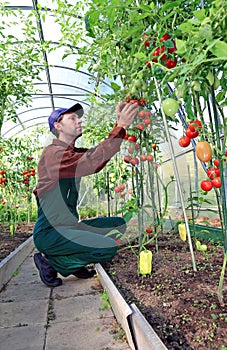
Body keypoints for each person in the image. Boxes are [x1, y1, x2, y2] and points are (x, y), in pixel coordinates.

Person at [33, 101, 139, 287]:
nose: (79, 121)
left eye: (78, 118)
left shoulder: (71, 154)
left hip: (70, 227)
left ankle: (72, 255)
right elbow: (92, 162)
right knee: (108, 248)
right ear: (58, 126)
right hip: (50, 233)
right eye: (72, 118)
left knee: (118, 224)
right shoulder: (53, 155)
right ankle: (52, 263)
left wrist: (118, 125)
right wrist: (121, 127)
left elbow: (97, 155)